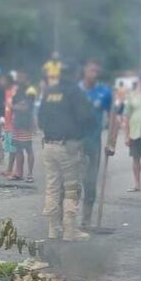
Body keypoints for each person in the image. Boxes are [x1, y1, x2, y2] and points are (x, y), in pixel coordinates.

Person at [39, 65, 92, 240]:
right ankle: (70, 230)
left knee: (52, 186)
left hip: (48, 144)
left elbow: (40, 118)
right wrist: (79, 137)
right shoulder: (75, 92)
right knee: (71, 187)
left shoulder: (49, 91)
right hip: (67, 146)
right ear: (76, 74)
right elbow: (85, 117)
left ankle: (53, 229)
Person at [78, 59, 113, 228]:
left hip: (93, 143)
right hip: (74, 143)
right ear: (84, 71)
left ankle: (86, 220)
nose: (94, 74)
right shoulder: (75, 90)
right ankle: (66, 219)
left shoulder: (104, 92)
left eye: (96, 72)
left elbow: (114, 115)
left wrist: (111, 142)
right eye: (91, 70)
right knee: (70, 182)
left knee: (90, 182)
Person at [8, 71, 37, 182]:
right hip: (17, 123)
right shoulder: (18, 90)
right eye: (18, 76)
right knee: (18, 149)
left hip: (26, 124)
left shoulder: (31, 90)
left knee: (28, 149)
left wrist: (15, 106)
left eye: (21, 75)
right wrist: (16, 106)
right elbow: (13, 105)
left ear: (26, 76)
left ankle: (30, 174)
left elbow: (26, 107)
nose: (18, 78)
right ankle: (19, 173)